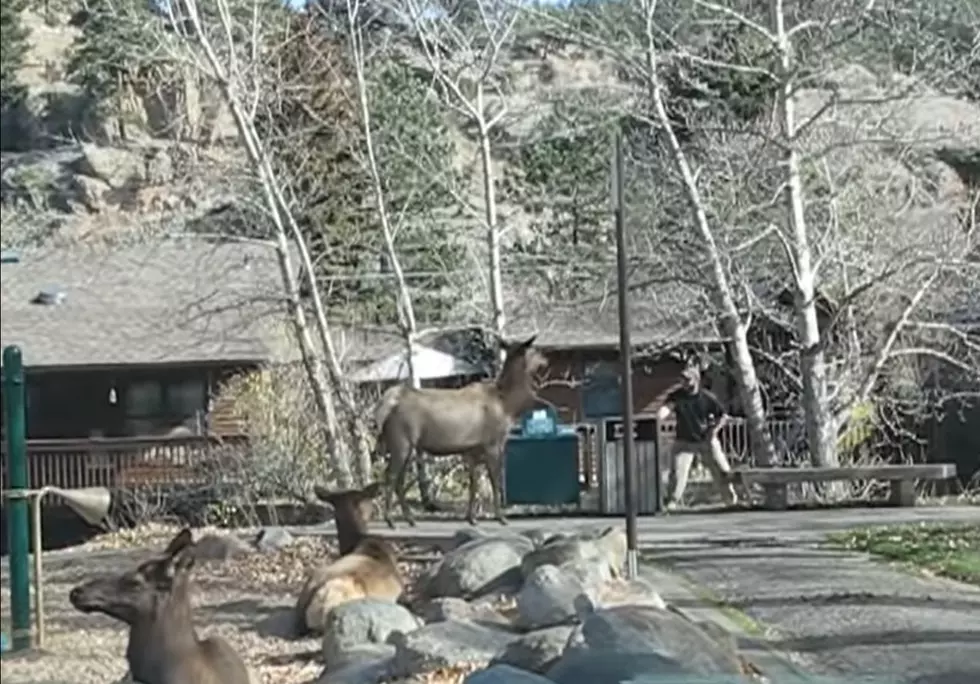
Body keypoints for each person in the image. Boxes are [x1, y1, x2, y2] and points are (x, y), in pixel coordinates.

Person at [657, 363, 739, 510]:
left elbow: (723, 416)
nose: (684, 383)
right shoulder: (676, 396)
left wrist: (714, 431)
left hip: (705, 440)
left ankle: (731, 501)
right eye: (682, 380)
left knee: (721, 470)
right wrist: (660, 415)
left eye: (688, 380)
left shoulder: (707, 397)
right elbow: (666, 408)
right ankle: (672, 502)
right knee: (677, 474)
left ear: (696, 380)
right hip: (684, 441)